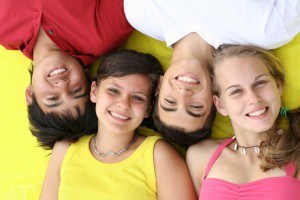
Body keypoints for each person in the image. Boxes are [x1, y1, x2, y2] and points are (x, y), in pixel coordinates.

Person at [124, 0, 300, 146]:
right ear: (216, 99)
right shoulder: (268, 31)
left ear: (159, 86)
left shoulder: (140, 14)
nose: (184, 94)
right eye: (195, 107)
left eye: (170, 101)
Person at [39, 50, 197, 200]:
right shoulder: (64, 151)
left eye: (137, 97)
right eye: (114, 91)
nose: (123, 104)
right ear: (94, 91)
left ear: (148, 109)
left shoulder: (159, 156)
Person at [0, 0, 133, 148]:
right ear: (89, 82)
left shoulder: (4, 31)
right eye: (76, 90)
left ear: (30, 95)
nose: (62, 85)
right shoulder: (103, 34)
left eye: (52, 98)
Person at [186, 45, 300, 199]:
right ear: (220, 105)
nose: (254, 99)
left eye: (260, 83)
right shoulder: (200, 156)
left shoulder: (296, 152)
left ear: (278, 86)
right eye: (236, 91)